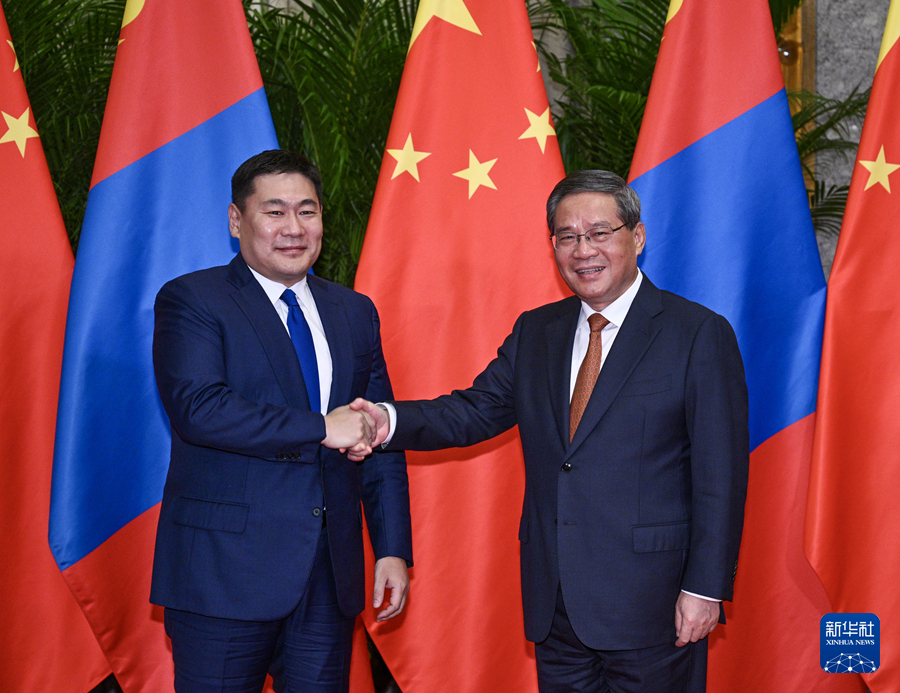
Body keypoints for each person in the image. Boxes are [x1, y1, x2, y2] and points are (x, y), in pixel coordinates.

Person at [354, 170, 749, 692]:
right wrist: (388, 420)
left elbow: (721, 476)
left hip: (655, 605)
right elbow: (473, 411)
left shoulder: (697, 333)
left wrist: (704, 588)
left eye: (599, 233)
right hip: (556, 606)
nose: (583, 250)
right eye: (567, 236)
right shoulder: (537, 331)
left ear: (637, 236)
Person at [150, 149, 412, 693]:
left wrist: (391, 548)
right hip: (222, 576)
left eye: (306, 211)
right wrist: (321, 427)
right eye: (274, 212)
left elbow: (377, 431)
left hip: (328, 579)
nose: (294, 228)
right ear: (236, 220)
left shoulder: (353, 311)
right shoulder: (193, 300)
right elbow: (200, 409)